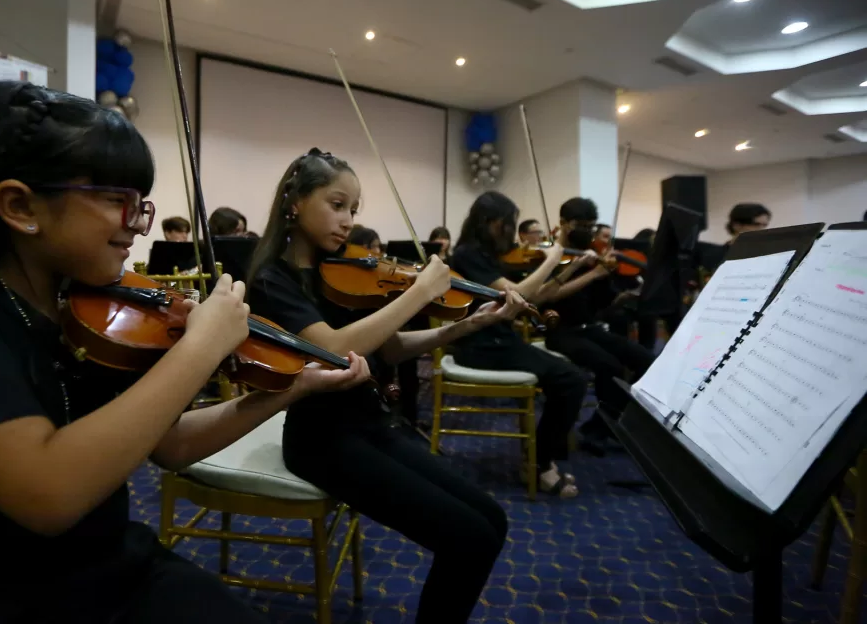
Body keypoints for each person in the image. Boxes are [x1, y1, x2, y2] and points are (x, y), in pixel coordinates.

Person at [0, 82, 371, 623]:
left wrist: (289, 390)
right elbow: (48, 494)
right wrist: (202, 348)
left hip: (107, 567)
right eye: (118, 201)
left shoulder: (75, 308)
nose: (135, 225)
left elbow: (173, 443)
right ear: (20, 205)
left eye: (141, 204)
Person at [246, 148, 530, 624]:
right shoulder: (274, 280)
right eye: (337, 205)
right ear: (294, 201)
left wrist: (461, 327)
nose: (347, 221)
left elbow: (388, 348)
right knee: (469, 537)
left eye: (353, 210)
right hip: (322, 439)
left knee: (493, 520)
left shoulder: (342, 273)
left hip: (373, 424)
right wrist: (420, 291)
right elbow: (333, 348)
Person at [450, 191, 589, 497]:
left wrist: (567, 268)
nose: (512, 233)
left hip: (499, 339)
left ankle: (540, 456)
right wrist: (551, 259)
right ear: (489, 222)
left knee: (568, 377)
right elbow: (517, 296)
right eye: (508, 225)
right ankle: (539, 464)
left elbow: (536, 298)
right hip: (480, 346)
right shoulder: (467, 254)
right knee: (571, 380)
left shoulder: (487, 255)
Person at [537, 197, 655, 454]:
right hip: (559, 331)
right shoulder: (548, 256)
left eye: (591, 226)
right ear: (563, 223)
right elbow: (546, 297)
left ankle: (600, 426)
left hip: (588, 328)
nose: (587, 232)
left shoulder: (592, 257)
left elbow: (603, 304)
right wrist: (592, 274)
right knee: (610, 366)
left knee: (646, 360)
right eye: (580, 225)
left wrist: (621, 294)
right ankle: (598, 431)